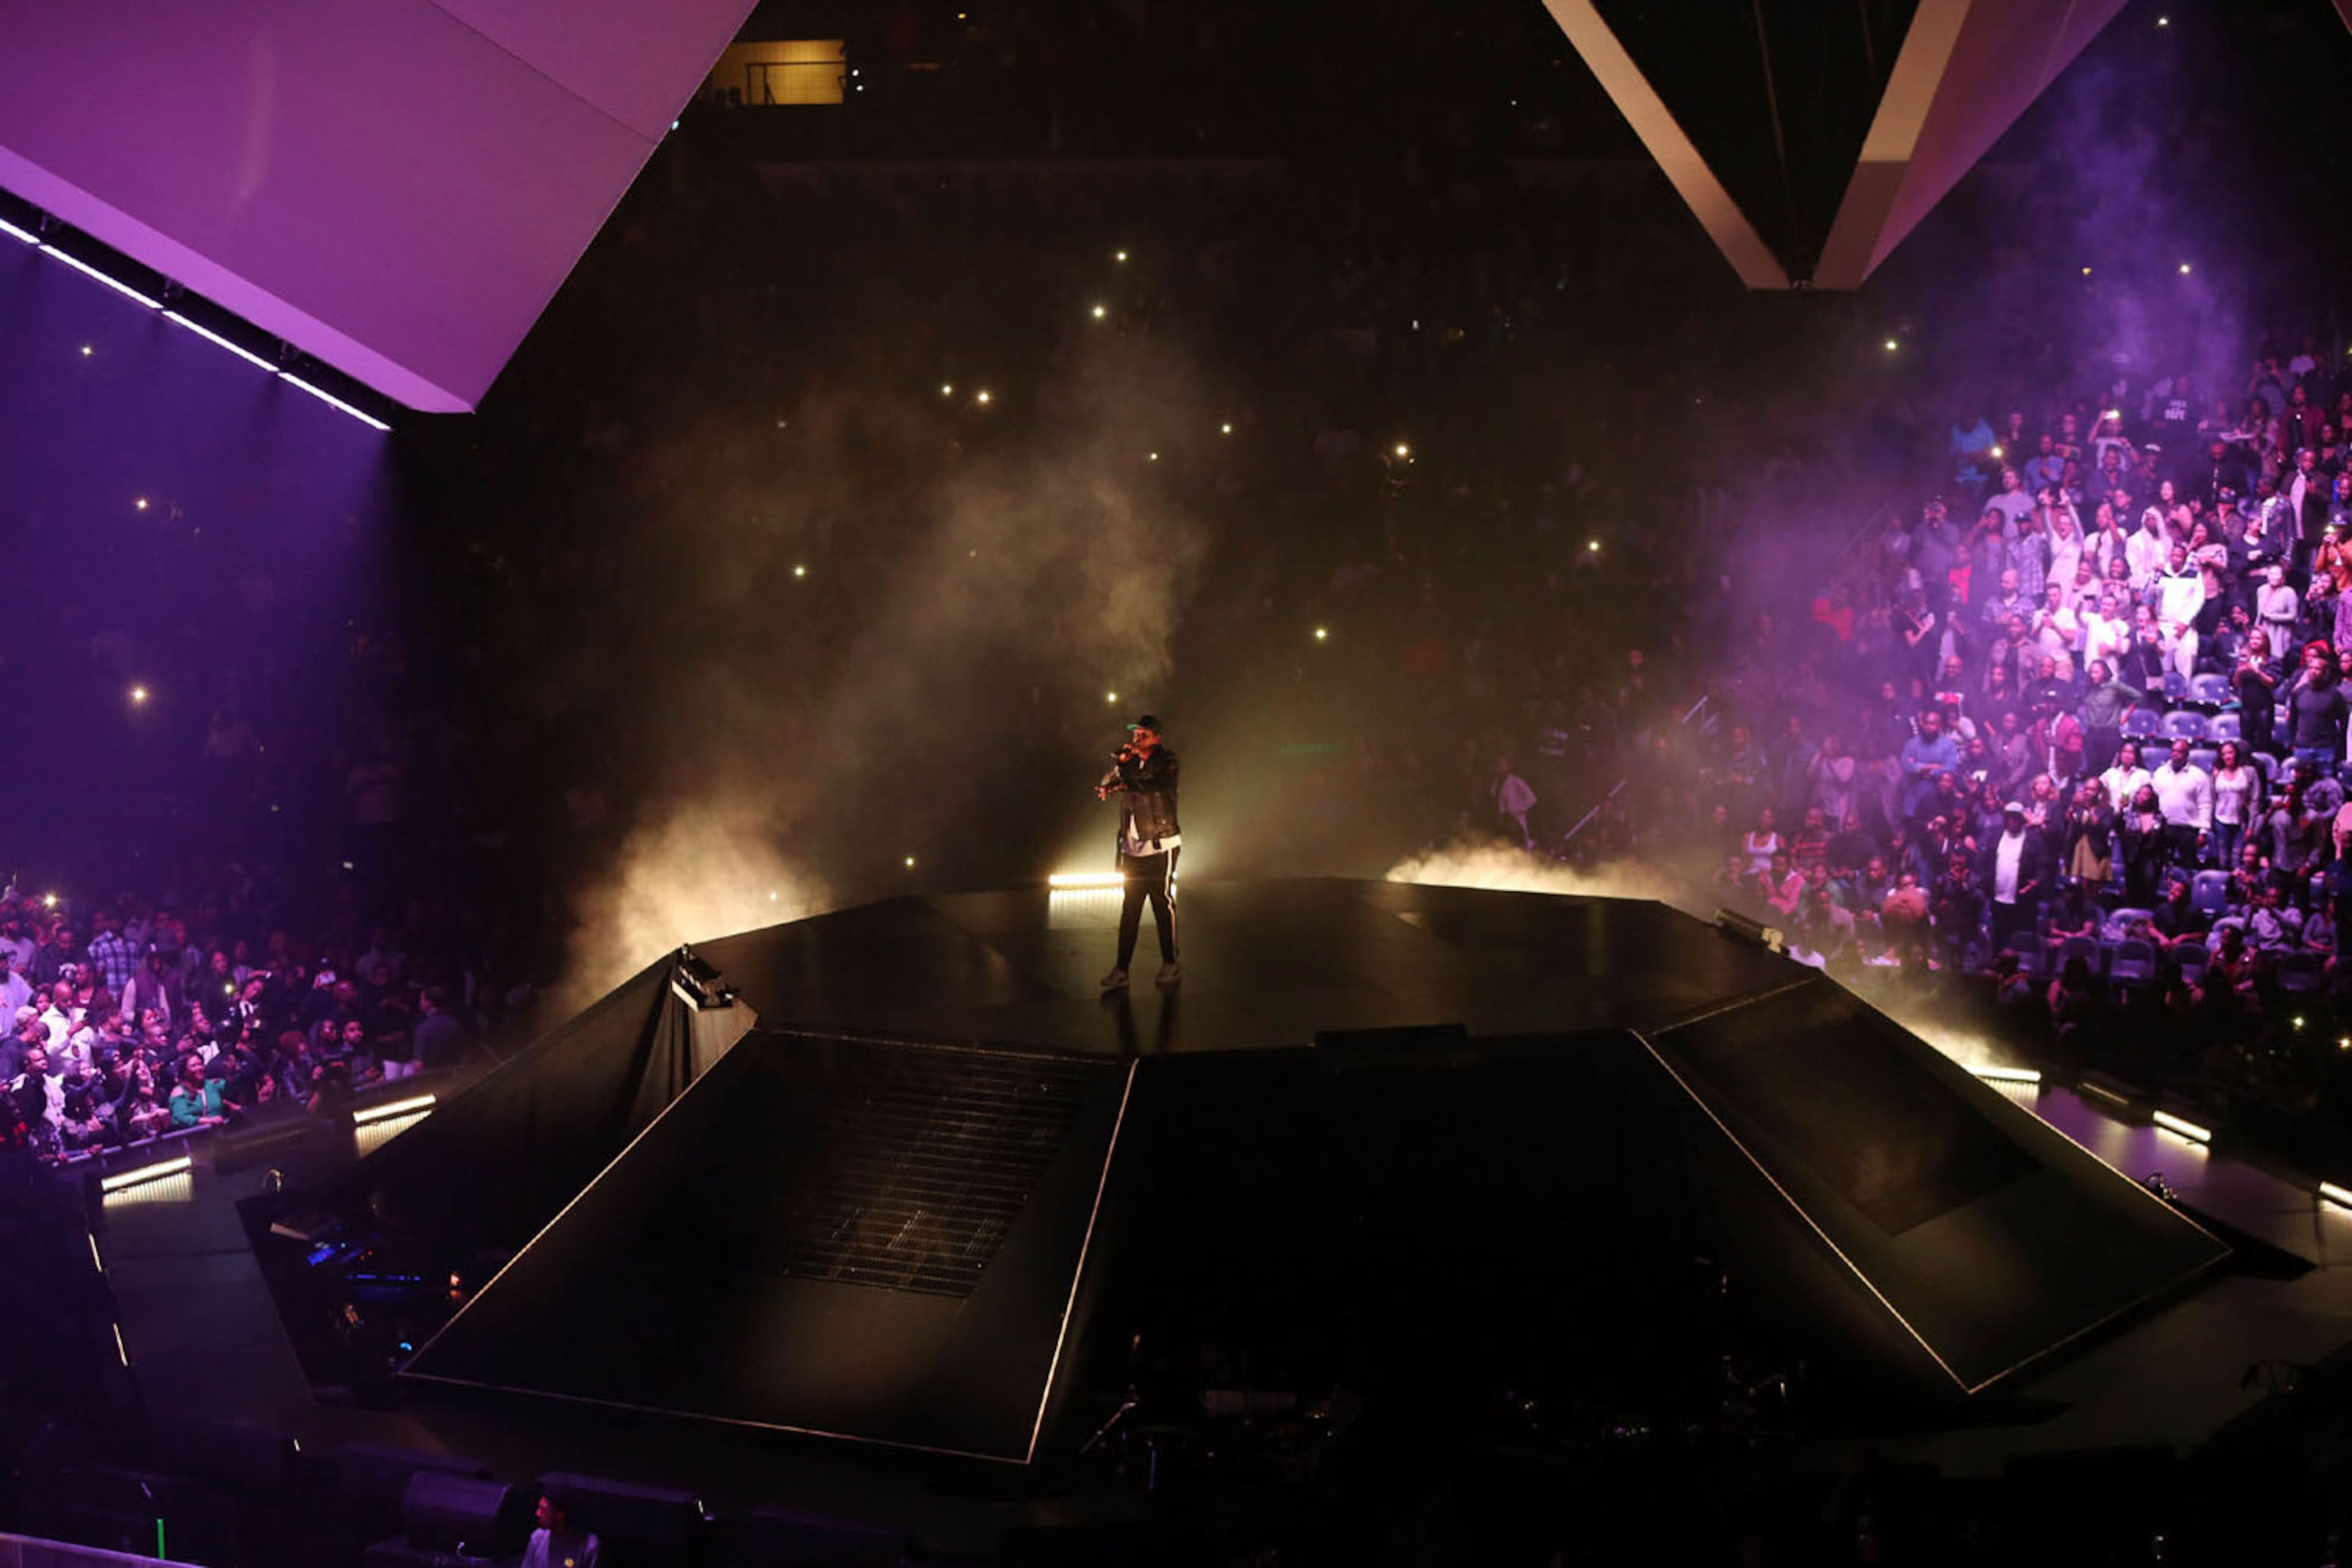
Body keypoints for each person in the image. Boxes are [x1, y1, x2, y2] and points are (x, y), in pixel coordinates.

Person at [1096, 715, 1182, 992]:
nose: (1137, 739)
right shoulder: (1130, 764)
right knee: (1130, 908)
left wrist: (1124, 783)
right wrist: (1117, 770)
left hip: (1160, 843)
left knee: (1161, 903)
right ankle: (1122, 969)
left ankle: (1171, 962)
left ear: (1156, 738)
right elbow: (1109, 780)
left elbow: (1153, 785)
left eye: (1143, 735)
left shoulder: (1167, 761)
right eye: (1135, 734)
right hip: (1133, 845)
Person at [521, 1493, 599, 1568]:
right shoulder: (537, 1539)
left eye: (543, 1510)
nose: (538, 1513)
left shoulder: (588, 1545)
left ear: (560, 1515)